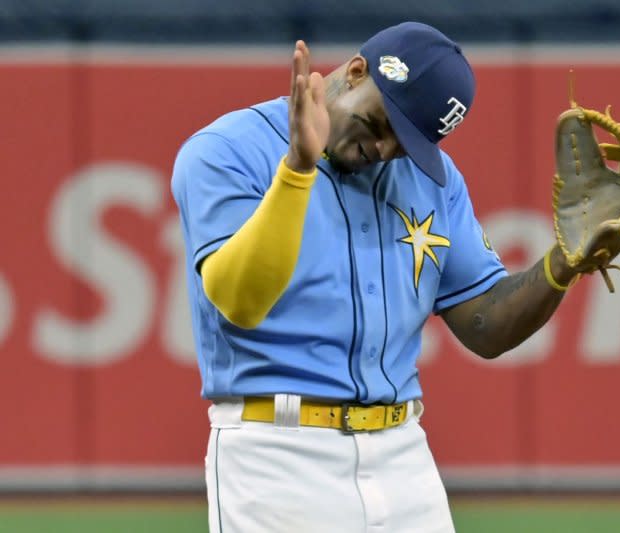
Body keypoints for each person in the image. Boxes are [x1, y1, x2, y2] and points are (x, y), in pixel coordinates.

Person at [172, 21, 583, 533]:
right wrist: (298, 170)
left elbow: (484, 326)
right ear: (357, 72)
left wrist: (567, 264)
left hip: (403, 453)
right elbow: (240, 300)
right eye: (381, 123)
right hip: (276, 454)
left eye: (408, 142)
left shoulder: (435, 180)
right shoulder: (228, 150)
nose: (387, 148)